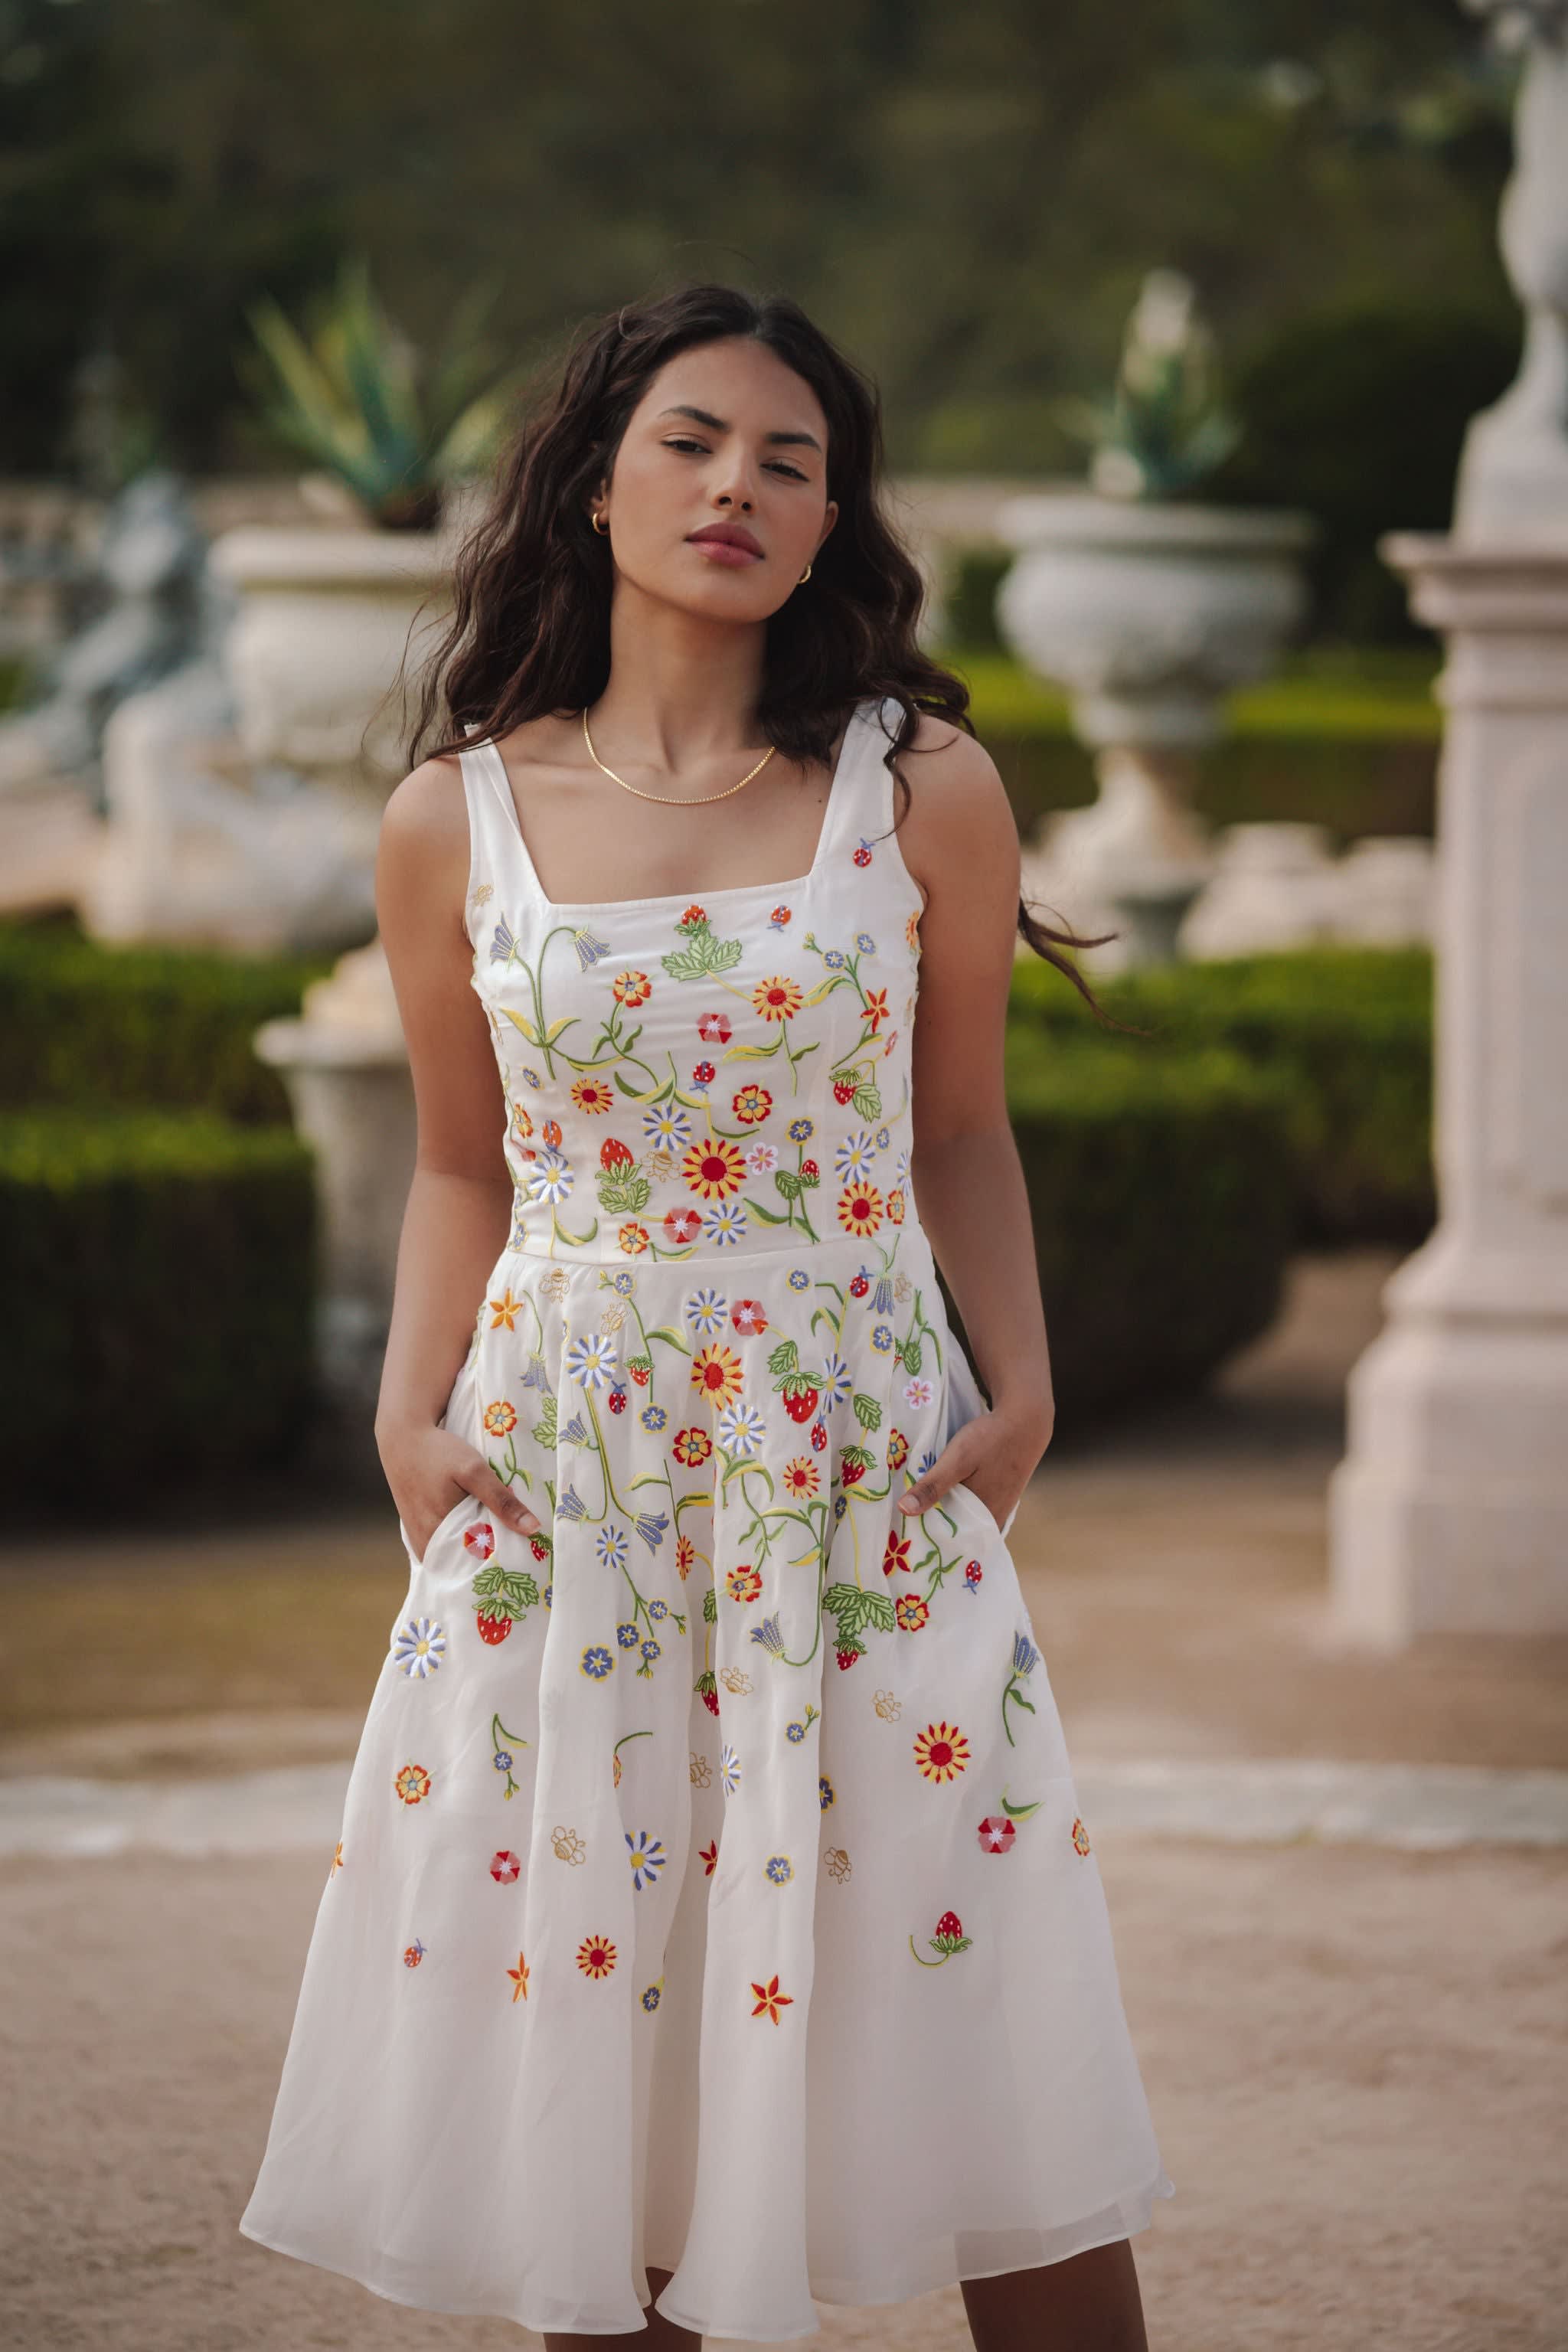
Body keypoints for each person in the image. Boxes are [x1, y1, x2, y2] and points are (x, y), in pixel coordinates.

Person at [238, 281, 1173, 2350]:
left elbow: (960, 1129)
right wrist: (409, 1423)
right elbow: (461, 1164)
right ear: (588, 480)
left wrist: (1021, 1392)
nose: (740, 485)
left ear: (835, 521)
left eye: (792, 459)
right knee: (603, 2004)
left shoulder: (913, 786)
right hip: (568, 1473)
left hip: (858, 1452)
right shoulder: (448, 822)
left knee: (966, 1962)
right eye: (691, 440)